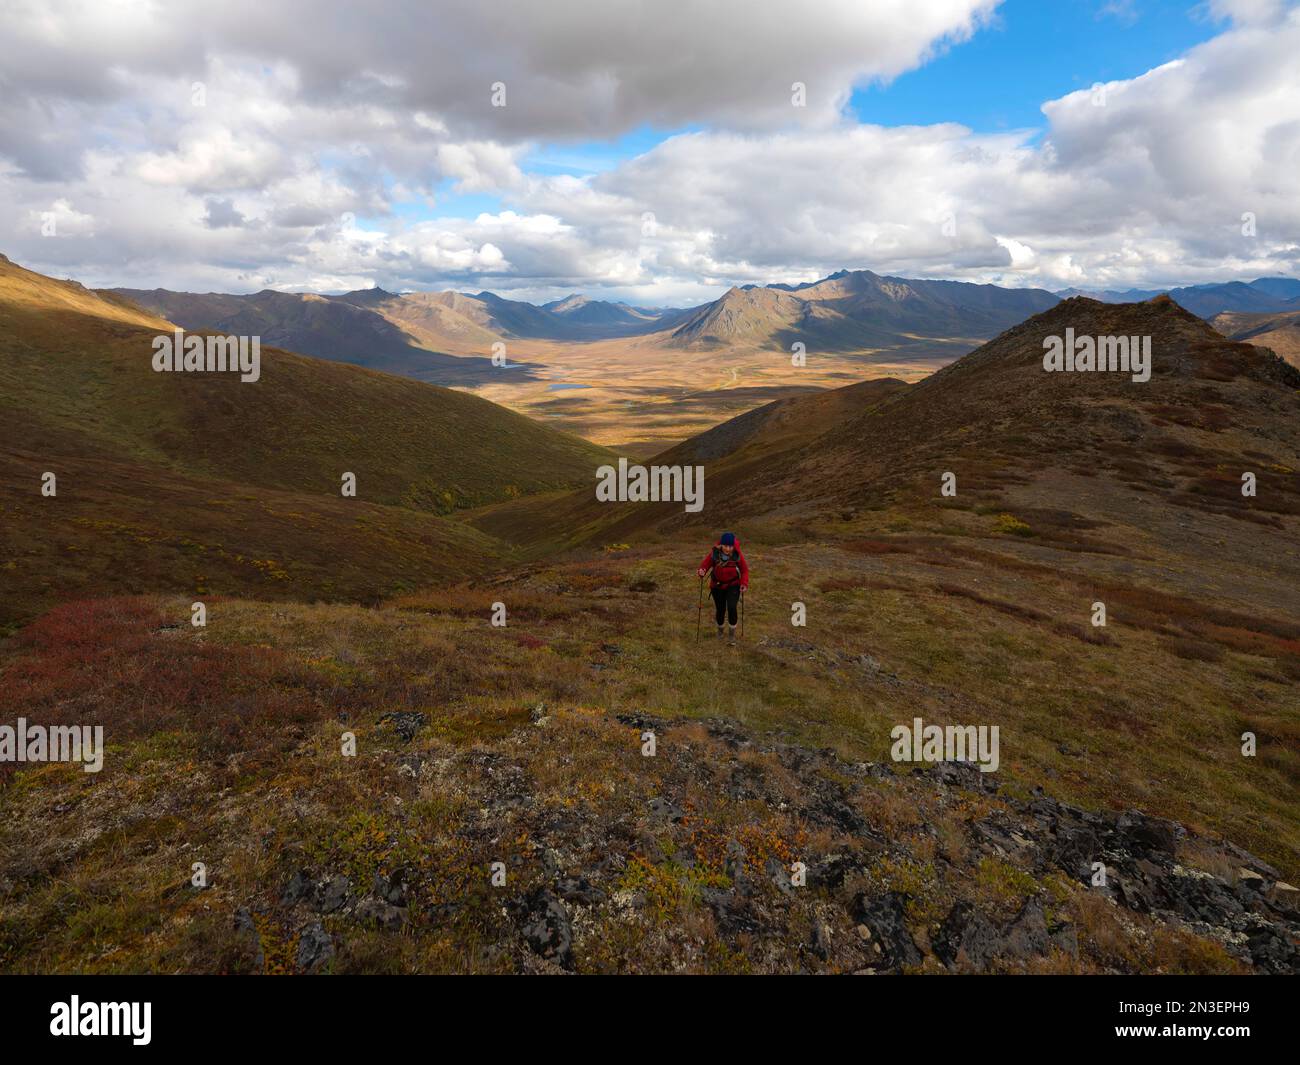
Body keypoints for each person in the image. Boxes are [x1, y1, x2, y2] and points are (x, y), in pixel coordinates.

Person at [697, 531, 748, 640]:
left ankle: (731, 634)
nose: (728, 549)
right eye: (725, 546)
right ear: (721, 545)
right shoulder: (715, 553)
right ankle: (720, 631)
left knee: (732, 607)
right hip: (717, 586)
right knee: (720, 609)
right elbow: (705, 565)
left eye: (730, 546)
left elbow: (744, 570)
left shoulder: (737, 554)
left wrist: (744, 583)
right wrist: (702, 571)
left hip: (733, 585)